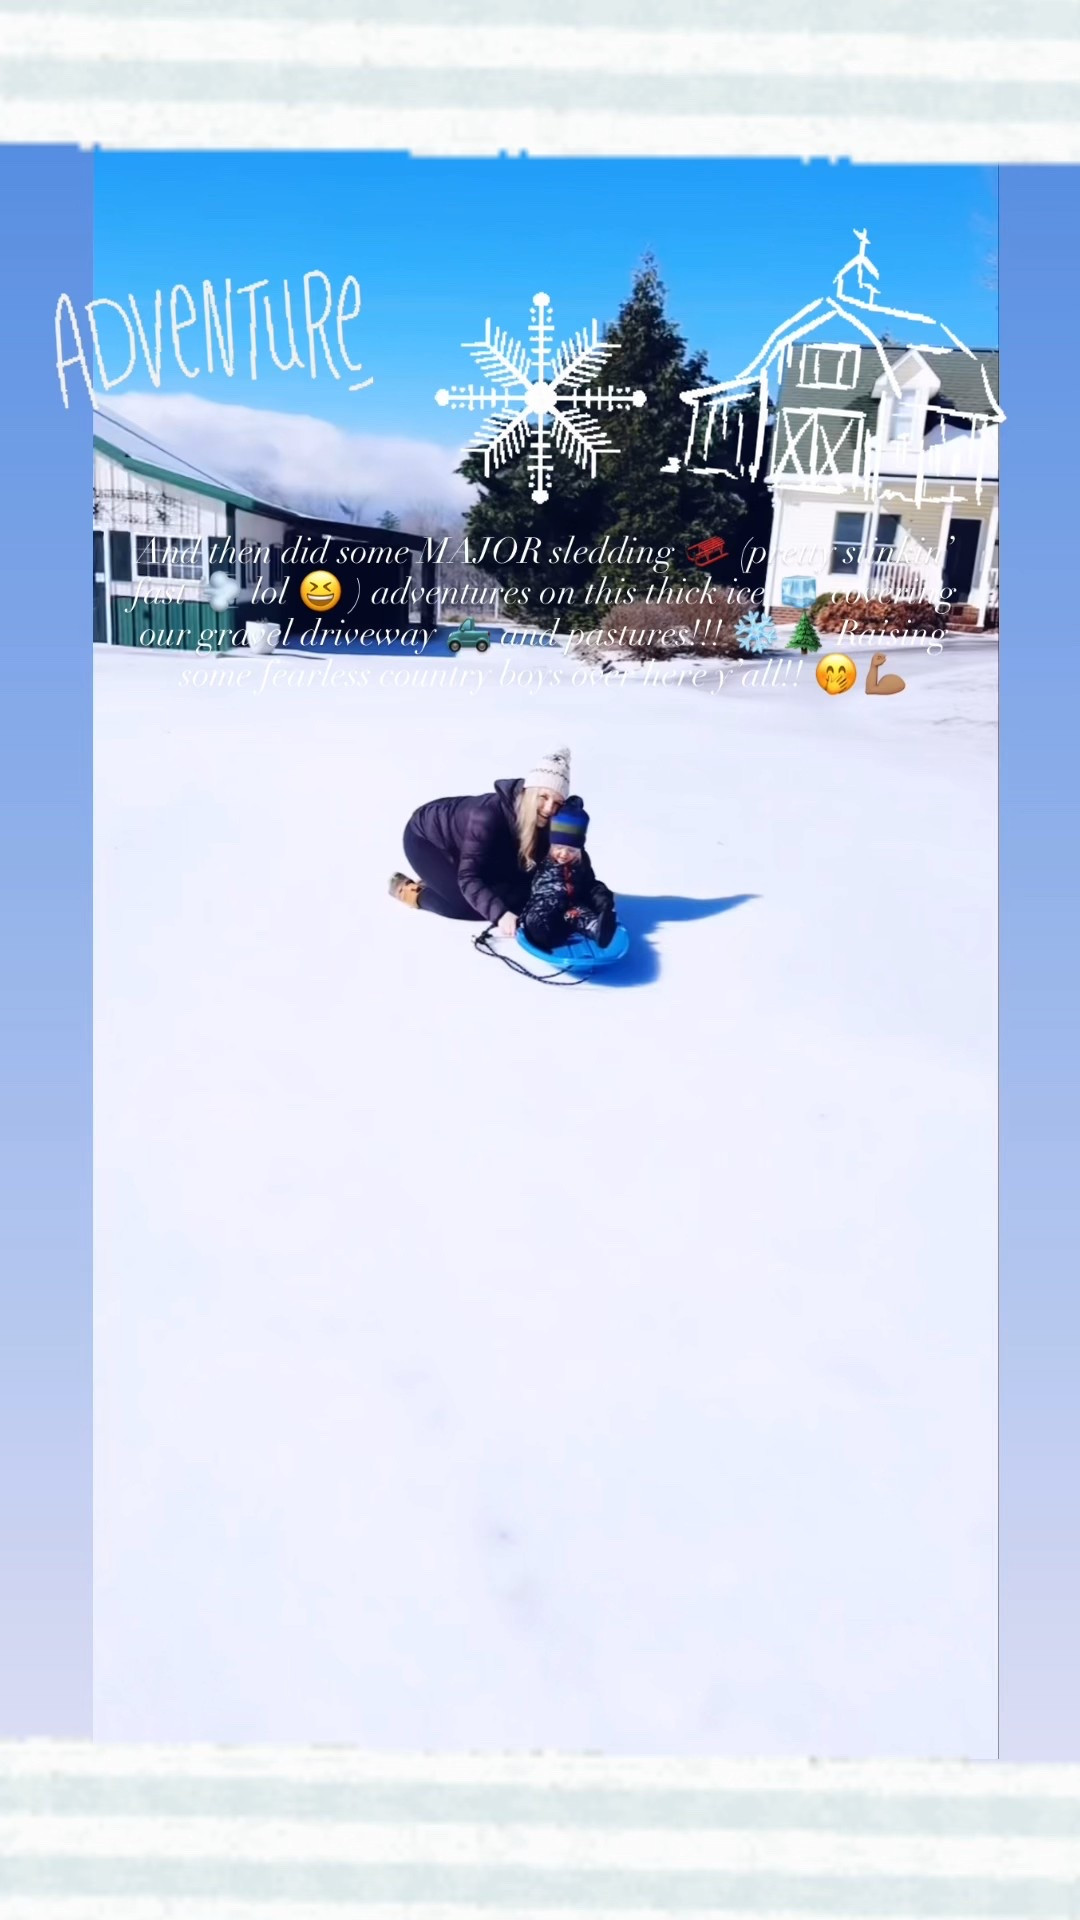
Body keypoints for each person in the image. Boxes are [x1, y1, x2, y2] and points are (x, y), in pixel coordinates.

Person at [388, 748, 575, 937]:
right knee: (468, 905)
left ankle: (442, 881)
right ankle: (412, 892)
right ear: (529, 792)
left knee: (520, 893)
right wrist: (501, 915)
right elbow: (469, 877)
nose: (550, 808)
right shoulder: (486, 817)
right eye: (543, 797)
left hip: (469, 844)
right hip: (426, 841)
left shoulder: (550, 816)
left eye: (558, 802)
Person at [518, 801, 617, 953]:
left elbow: (590, 885)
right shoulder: (541, 856)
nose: (564, 854)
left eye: (571, 850)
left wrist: (603, 902)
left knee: (582, 916)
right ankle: (541, 933)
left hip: (571, 907)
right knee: (537, 918)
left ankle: (599, 930)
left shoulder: (581, 862)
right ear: (551, 845)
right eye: (559, 848)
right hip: (545, 904)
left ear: (579, 850)